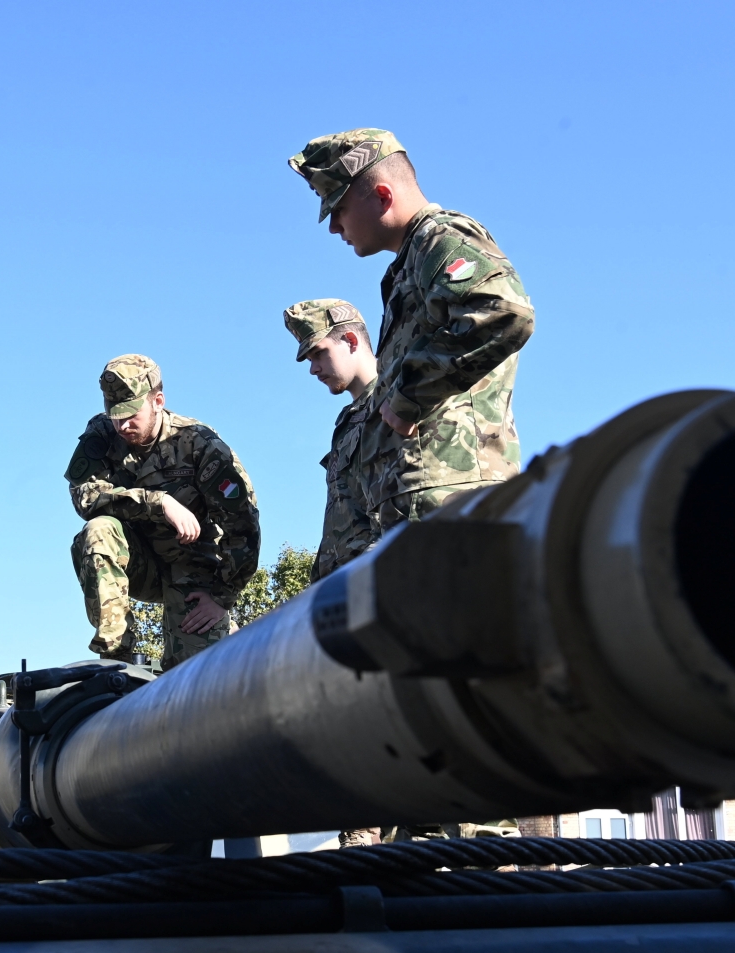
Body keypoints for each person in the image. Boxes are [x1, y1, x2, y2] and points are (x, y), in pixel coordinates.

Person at [288, 128, 534, 532]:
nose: (333, 227)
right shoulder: (409, 262)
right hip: (420, 501)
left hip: (453, 497)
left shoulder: (438, 237)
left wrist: (407, 395)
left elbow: (503, 312)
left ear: (383, 196)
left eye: (339, 208)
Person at [67, 354, 261, 668]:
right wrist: (157, 502)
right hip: (137, 559)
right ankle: (116, 654)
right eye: (114, 414)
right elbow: (84, 496)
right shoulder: (103, 434)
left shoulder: (199, 444)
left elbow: (243, 524)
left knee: (198, 678)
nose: (122, 425)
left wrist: (222, 597)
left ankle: (227, 636)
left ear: (158, 401)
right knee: (98, 530)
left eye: (131, 414)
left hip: (194, 571)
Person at [284, 298, 379, 583]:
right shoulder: (348, 419)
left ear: (350, 340)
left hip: (380, 577)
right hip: (346, 585)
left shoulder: (396, 403)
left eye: (318, 354)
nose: (313, 369)